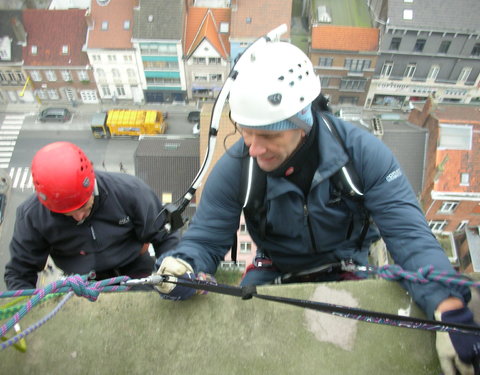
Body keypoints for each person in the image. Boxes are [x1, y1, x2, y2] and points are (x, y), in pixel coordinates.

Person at [153, 40, 479, 373]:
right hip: (276, 267)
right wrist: (182, 265)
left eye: (266, 135)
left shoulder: (361, 155)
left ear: (302, 121)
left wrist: (447, 305)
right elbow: (205, 238)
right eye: (245, 132)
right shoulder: (237, 169)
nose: (253, 148)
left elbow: (408, 234)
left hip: (348, 263)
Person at [4, 141, 179, 290]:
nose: (79, 217)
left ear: (92, 184)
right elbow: (20, 271)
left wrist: (171, 274)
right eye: (67, 214)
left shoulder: (129, 193)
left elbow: (165, 235)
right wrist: (25, 310)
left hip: (136, 270)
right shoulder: (33, 216)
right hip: (82, 283)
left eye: (84, 207)